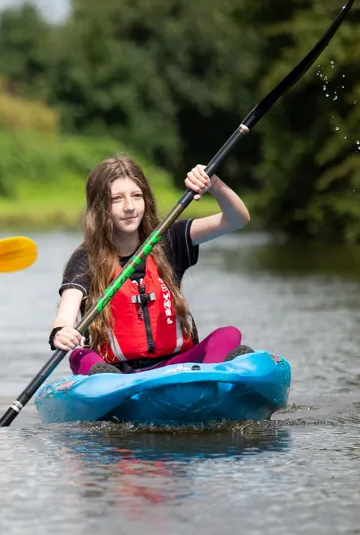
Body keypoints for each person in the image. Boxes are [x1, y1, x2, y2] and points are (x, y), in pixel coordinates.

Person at [49, 154, 252, 375]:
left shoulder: (168, 239)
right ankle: (108, 386)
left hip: (177, 367)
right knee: (81, 355)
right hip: (117, 376)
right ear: (100, 207)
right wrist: (61, 331)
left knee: (228, 334)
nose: (129, 207)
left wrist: (214, 184)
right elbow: (66, 313)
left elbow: (237, 219)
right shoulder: (86, 258)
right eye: (116, 199)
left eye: (136, 196)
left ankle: (211, 382)